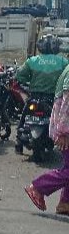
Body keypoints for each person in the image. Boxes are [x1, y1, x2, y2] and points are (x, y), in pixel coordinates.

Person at [24, 63, 69, 215]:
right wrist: (64, 131)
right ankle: (38, 187)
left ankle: (65, 203)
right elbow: (67, 103)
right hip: (66, 126)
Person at [16, 35, 68, 102]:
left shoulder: (32, 60)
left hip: (34, 97)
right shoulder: (63, 62)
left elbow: (20, 75)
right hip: (54, 98)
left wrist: (30, 81)